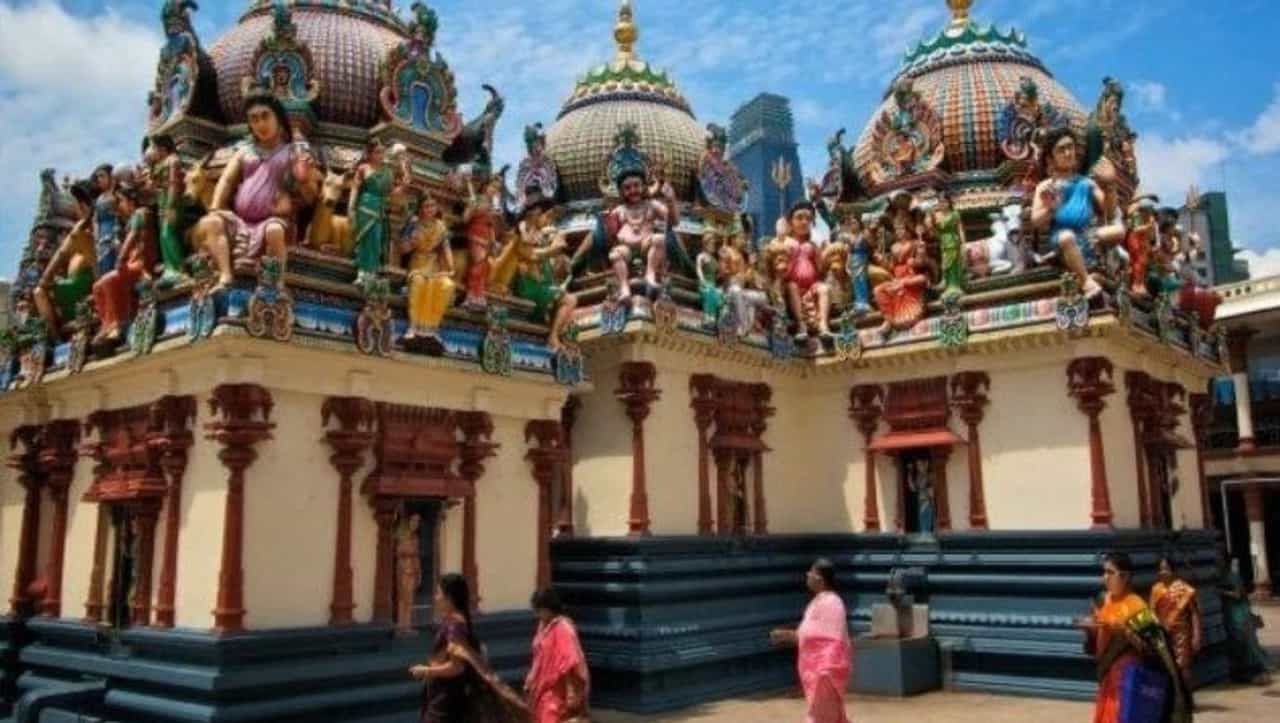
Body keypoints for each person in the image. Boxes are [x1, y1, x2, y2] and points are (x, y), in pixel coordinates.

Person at [1079, 552, 1192, 723]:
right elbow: (1097, 648)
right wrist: (1090, 632)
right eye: (1104, 572)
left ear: (1125, 577)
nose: (1105, 577)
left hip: (1129, 683)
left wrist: (1126, 633)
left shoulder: (1136, 606)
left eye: (1110, 572)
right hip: (1108, 683)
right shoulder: (1104, 603)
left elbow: (1156, 650)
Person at [410, 573, 526, 723]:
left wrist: (426, 671)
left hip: (447, 698)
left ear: (449, 597)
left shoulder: (455, 625)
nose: (436, 597)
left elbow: (457, 667)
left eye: (438, 593)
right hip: (443, 694)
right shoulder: (453, 621)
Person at [770, 559, 852, 723]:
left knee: (819, 718)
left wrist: (791, 635)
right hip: (819, 670)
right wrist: (789, 635)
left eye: (810, 572)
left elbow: (830, 638)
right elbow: (810, 633)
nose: (807, 575)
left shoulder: (832, 602)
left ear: (819, 578)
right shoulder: (818, 602)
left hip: (826, 670)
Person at [1030, 128, 1106, 299]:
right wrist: (1051, 209)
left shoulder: (1087, 183)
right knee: (1066, 237)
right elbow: (1035, 221)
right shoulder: (1045, 187)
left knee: (1117, 231)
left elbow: (1108, 210)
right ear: (1050, 158)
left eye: (1070, 147)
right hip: (1062, 239)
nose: (1068, 153)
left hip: (1089, 236)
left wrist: (1110, 186)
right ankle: (1086, 282)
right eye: (1061, 149)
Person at [525, 588, 590, 723]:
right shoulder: (544, 626)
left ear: (549, 608)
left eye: (539, 610)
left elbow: (570, 662)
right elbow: (538, 656)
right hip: (542, 688)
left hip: (558, 691)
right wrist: (531, 678)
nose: (537, 614)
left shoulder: (563, 628)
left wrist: (571, 691)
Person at [1149, 555, 1202, 686]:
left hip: (1181, 634)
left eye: (1166, 568)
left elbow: (1194, 613)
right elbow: (1151, 611)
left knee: (1183, 666)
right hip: (1163, 634)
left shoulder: (1184, 589)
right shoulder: (1156, 589)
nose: (1163, 572)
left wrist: (1196, 636)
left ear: (1173, 570)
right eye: (1160, 569)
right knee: (1166, 666)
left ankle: (1186, 694)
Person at [1220, 557, 1273, 684]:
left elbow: (1238, 594)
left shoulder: (1233, 576)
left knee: (1248, 643)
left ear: (1225, 562)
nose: (1217, 562)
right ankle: (1242, 673)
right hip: (1232, 615)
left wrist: (1221, 592)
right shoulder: (1223, 576)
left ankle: (1258, 671)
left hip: (1240, 614)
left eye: (1219, 560)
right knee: (1237, 643)